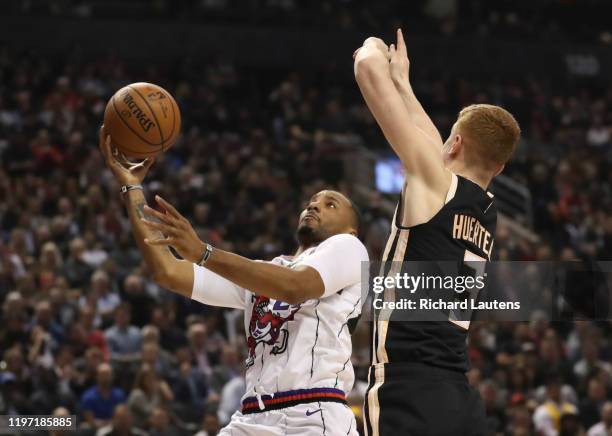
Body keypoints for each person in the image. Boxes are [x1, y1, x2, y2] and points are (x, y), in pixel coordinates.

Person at [98, 127, 369, 435]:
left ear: (351, 230)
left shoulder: (349, 249)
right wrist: (132, 188)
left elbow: (295, 287)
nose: (314, 205)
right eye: (312, 201)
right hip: (252, 417)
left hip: (313, 415)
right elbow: (168, 272)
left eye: (330, 204)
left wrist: (203, 252)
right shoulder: (261, 272)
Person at [354, 29, 521, 435]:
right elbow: (435, 145)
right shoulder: (487, 212)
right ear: (498, 168)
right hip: (459, 397)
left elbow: (364, 67)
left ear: (455, 144)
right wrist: (404, 84)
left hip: (409, 388)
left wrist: (373, 46)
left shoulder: (436, 185)